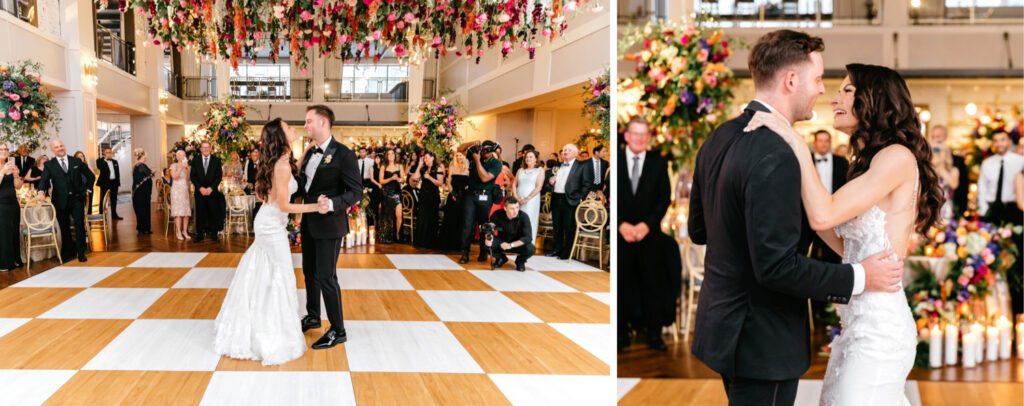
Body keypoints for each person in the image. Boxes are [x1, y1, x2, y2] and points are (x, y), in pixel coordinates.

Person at [723, 30, 937, 405]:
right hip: (856, 324)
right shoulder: (872, 161)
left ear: (874, 100)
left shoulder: (897, 158)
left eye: (847, 90)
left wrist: (793, 141)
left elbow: (824, 214)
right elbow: (841, 239)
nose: (833, 97)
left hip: (879, 329)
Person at [215, 118, 331, 365]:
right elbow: (285, 204)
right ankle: (272, 334)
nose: (293, 128)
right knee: (281, 276)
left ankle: (259, 324)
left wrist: (307, 150)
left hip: (270, 223)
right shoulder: (281, 165)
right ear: (281, 136)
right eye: (288, 127)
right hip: (270, 226)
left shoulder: (282, 162)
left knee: (266, 275)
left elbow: (288, 176)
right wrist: (318, 207)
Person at [297, 105, 363, 350]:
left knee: (326, 276)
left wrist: (334, 203)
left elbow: (356, 192)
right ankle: (313, 316)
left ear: (323, 122)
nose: (305, 126)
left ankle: (338, 330)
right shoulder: (309, 153)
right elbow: (304, 186)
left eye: (308, 121)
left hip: (330, 225)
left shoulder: (344, 154)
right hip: (308, 223)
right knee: (309, 273)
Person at [618, 117, 674, 352]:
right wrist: (621, 224)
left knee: (653, 285)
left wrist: (646, 226)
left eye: (644, 134)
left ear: (648, 138)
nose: (640, 138)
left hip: (649, 236)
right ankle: (620, 334)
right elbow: (611, 196)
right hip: (622, 235)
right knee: (622, 285)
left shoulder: (658, 163)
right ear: (627, 136)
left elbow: (664, 199)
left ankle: (654, 334)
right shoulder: (617, 160)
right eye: (636, 134)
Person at [37, 139, 95, 263]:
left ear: (64, 146)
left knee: (79, 225)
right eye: (56, 147)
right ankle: (68, 252)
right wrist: (41, 192)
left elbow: (91, 176)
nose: (60, 148)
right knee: (64, 228)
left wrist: (87, 190)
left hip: (76, 199)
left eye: (61, 146)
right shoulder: (49, 165)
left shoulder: (76, 161)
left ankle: (81, 253)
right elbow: (44, 180)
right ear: (52, 150)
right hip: (59, 201)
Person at [456, 140, 503, 264]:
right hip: (471, 195)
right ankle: (465, 252)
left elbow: (485, 178)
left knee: (483, 225)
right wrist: (472, 143)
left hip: (485, 196)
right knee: (467, 224)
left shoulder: (496, 164)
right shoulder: (476, 155)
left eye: (488, 149)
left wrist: (477, 160)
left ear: (492, 150)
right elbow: (460, 149)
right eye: (483, 149)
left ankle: (483, 251)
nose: (484, 152)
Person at [809, 129, 849, 263]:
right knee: (810, 251)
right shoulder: (806, 160)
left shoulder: (842, 162)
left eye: (826, 141)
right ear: (815, 143)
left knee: (834, 252)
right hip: (810, 212)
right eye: (820, 141)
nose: (823, 144)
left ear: (830, 143)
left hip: (835, 213)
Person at [547, 144, 593, 260]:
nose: (565, 152)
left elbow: (587, 184)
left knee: (569, 227)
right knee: (557, 226)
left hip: (571, 200)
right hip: (557, 197)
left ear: (575, 153)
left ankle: (566, 252)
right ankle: (556, 249)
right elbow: (555, 182)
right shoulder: (558, 165)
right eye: (564, 150)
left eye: (568, 150)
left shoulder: (582, 166)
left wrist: (579, 198)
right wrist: (551, 182)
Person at [978, 129, 1024, 224]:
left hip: (1014, 208)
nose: (999, 144)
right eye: (996, 140)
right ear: (993, 143)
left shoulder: (1020, 161)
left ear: (1009, 141)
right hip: (992, 208)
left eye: (1002, 139)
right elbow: (982, 188)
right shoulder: (986, 163)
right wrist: (984, 209)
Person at [485, 197, 534, 272]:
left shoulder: (524, 217)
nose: (515, 211)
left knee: (530, 248)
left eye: (517, 208)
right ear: (505, 208)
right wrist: (488, 237)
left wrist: (511, 245)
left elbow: (528, 237)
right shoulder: (497, 214)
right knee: (485, 242)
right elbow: (489, 228)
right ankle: (501, 258)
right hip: (502, 242)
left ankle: (520, 261)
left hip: (517, 243)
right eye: (512, 209)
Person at [930, 125, 970, 215]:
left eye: (938, 137)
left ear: (945, 138)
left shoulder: (956, 163)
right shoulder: (928, 162)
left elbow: (960, 186)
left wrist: (941, 164)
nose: (935, 141)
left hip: (949, 207)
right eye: (933, 137)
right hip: (931, 207)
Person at [190, 141, 225, 242]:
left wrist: (211, 188)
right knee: (199, 213)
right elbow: (193, 176)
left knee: (213, 213)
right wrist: (200, 188)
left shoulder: (217, 160)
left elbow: (219, 177)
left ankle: (214, 234)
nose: (205, 149)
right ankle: (200, 234)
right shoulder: (195, 160)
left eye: (207, 147)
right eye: (203, 147)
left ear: (210, 149)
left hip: (212, 192)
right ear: (200, 149)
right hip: (199, 192)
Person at [0, 143, 24, 271]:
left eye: (6, 149)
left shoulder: (11, 166)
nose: (4, 151)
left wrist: (16, 174)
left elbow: (18, 186)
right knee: (4, 234)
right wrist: (3, 172)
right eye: (1, 149)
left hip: (13, 204)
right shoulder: (3, 168)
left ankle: (15, 259)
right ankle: (4, 263)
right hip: (1, 204)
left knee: (14, 232)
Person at [928, 126, 960, 221]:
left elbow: (954, 185)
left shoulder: (953, 170)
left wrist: (941, 165)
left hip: (946, 208)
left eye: (938, 151)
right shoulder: (928, 170)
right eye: (934, 150)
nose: (936, 154)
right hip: (929, 207)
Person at [512, 150, 543, 245]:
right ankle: (517, 243)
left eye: (531, 157)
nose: (528, 159)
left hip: (531, 200)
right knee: (517, 220)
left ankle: (528, 244)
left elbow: (539, 187)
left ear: (536, 159)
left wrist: (527, 198)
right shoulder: (520, 170)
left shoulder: (540, 170)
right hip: (518, 199)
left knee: (529, 220)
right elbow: (514, 184)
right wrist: (516, 197)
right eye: (526, 157)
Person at [440, 151, 469, 251]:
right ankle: (449, 243)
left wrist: (465, 190)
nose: (459, 157)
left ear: (464, 156)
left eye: (460, 155)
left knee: (462, 219)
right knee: (450, 218)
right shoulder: (452, 166)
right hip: (453, 194)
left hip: (464, 196)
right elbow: (448, 182)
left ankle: (460, 244)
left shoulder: (468, 167)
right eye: (457, 155)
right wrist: (453, 194)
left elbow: (470, 182)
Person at [413, 151, 443, 248]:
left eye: (426, 158)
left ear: (432, 158)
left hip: (433, 196)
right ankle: (421, 241)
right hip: (423, 196)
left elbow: (440, 183)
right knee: (422, 218)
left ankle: (430, 242)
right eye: (424, 158)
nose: (425, 159)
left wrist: (429, 177)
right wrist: (419, 165)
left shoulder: (438, 168)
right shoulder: (423, 168)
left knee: (431, 218)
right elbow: (415, 178)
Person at [377, 149, 404, 244]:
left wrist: (399, 179)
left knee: (399, 215)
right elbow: (381, 181)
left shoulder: (400, 165)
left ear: (395, 155)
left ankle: (398, 235)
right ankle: (387, 236)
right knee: (387, 217)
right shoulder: (384, 166)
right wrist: (391, 178)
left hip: (397, 193)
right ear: (387, 156)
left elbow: (403, 180)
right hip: (387, 193)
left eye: (392, 153)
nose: (391, 155)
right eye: (389, 154)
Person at [131, 148, 155, 235]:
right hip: (142, 192)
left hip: (140, 192)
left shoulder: (137, 165)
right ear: (142, 156)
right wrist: (152, 173)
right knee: (144, 210)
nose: (146, 157)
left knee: (141, 210)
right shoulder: (141, 165)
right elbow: (151, 173)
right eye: (145, 156)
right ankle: (145, 228)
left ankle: (141, 228)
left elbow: (149, 174)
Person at [170, 150, 192, 241]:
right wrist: (181, 167)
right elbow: (174, 177)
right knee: (178, 213)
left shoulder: (188, 167)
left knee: (186, 213)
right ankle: (178, 231)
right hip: (176, 191)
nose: (183, 156)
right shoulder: (173, 166)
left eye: (184, 155)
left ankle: (185, 231)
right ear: (177, 156)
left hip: (185, 191)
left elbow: (189, 179)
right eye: (181, 155)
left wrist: (187, 168)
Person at [96, 147, 122, 219]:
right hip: (105, 183)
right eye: (107, 152)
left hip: (114, 183)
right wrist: (105, 159)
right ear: (104, 153)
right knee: (103, 200)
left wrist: (118, 182)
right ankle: (101, 215)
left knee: (114, 199)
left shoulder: (115, 161)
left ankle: (114, 215)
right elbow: (100, 166)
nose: (109, 153)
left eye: (110, 152)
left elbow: (117, 173)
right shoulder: (99, 161)